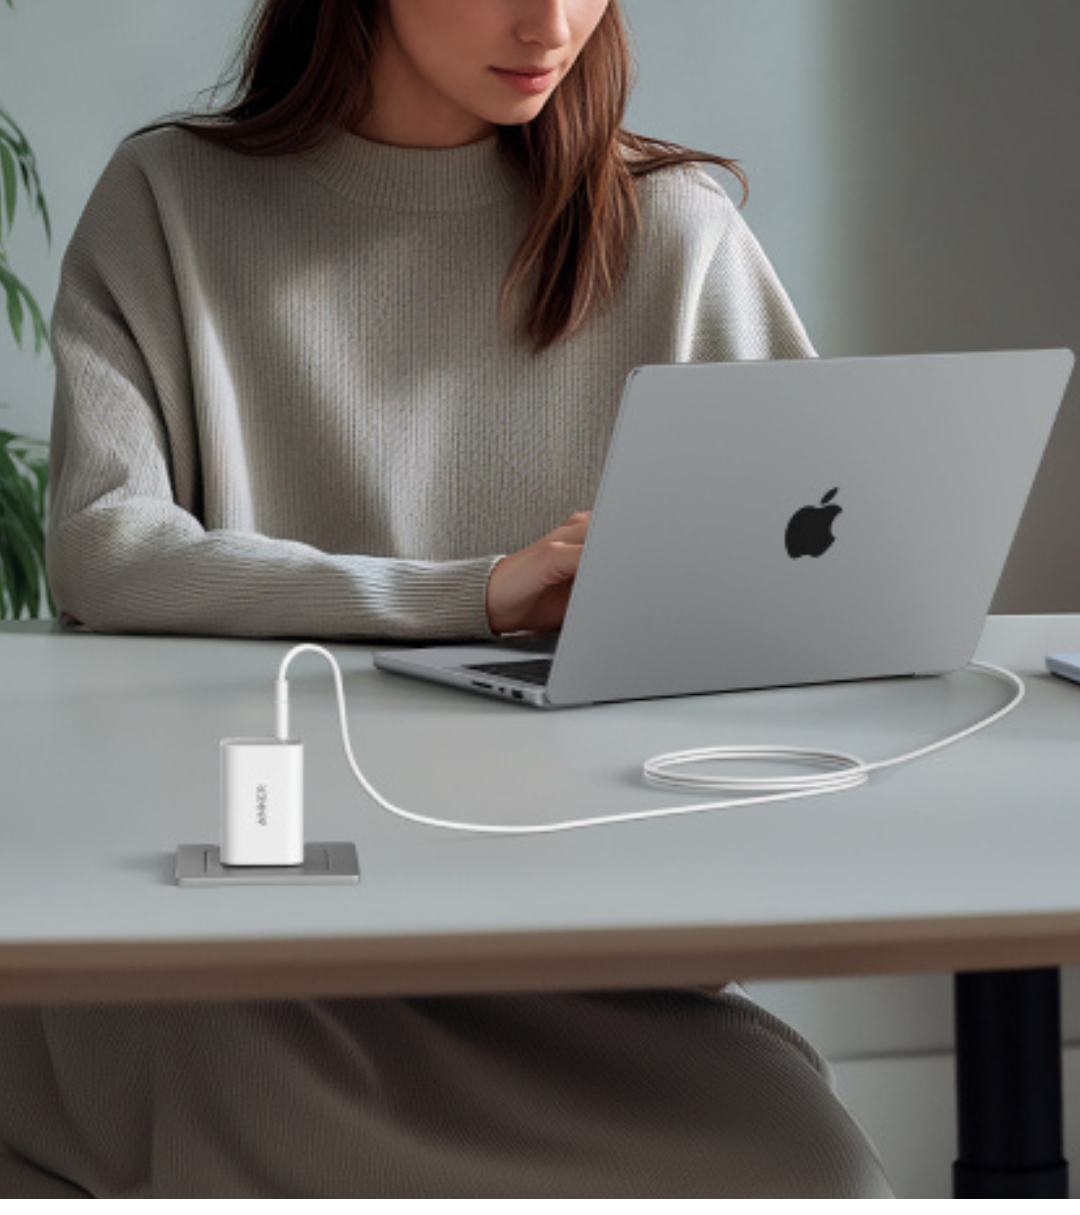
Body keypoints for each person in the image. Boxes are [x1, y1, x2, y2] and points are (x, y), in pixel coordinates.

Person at [0, 0, 890, 1197]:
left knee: (814, 1172)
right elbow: (104, 548)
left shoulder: (676, 232)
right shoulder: (168, 199)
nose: (552, 21)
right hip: (243, 950)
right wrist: (474, 594)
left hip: (580, 964)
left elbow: (831, 583)